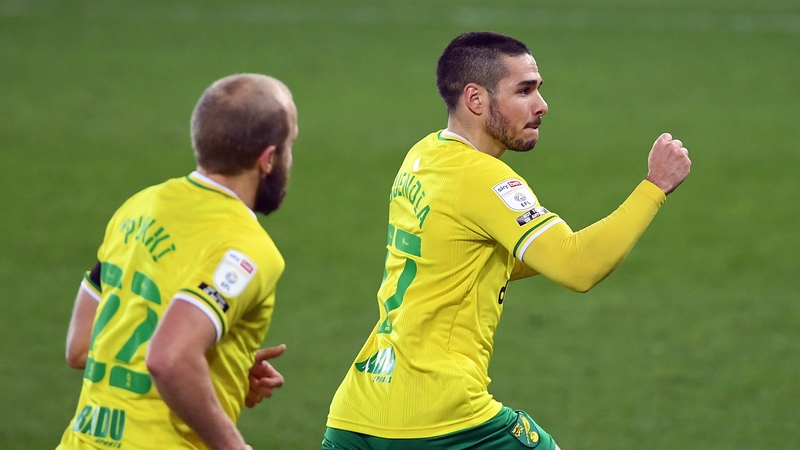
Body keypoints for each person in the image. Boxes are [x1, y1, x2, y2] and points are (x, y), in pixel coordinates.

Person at [320, 31, 691, 449]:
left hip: (357, 413)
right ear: (476, 100)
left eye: (539, 90)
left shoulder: (423, 157)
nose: (541, 105)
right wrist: (655, 186)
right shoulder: (484, 177)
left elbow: (458, 258)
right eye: (524, 90)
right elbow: (578, 267)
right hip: (438, 417)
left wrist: (545, 247)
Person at [56, 73, 299, 450]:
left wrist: (219, 370)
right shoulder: (248, 249)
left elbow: (82, 346)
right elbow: (169, 358)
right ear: (268, 159)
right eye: (288, 146)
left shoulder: (137, 208)